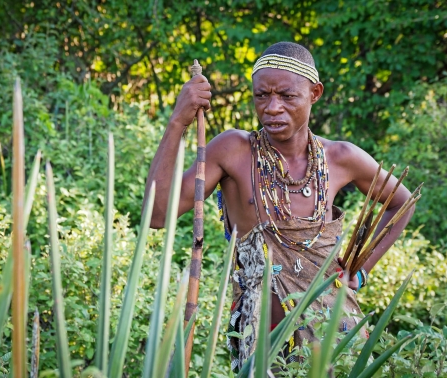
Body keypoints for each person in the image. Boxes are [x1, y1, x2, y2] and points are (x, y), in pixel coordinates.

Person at [143, 41, 414, 372]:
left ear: (314, 93)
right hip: (262, 341)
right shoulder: (233, 151)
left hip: (334, 334)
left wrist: (361, 267)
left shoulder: (340, 157)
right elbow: (156, 215)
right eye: (261, 96)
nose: (272, 107)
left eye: (287, 96)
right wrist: (177, 122)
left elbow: (402, 203)